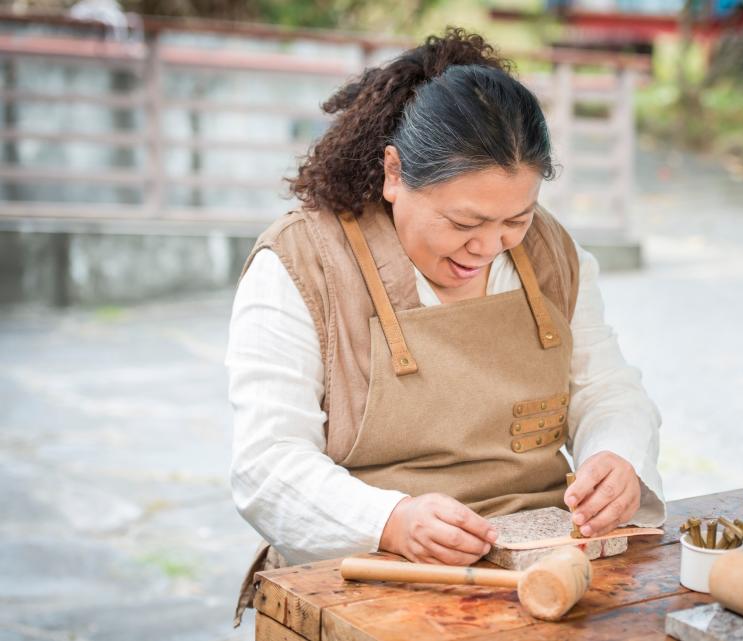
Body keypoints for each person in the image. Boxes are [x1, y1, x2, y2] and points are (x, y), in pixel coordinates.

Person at [226, 28, 664, 625]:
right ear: (394, 174)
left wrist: (617, 457)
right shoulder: (302, 265)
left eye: (516, 218)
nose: (488, 247)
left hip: (544, 557)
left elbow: (606, 388)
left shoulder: (552, 254)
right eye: (464, 221)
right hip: (368, 568)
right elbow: (266, 461)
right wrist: (389, 521)